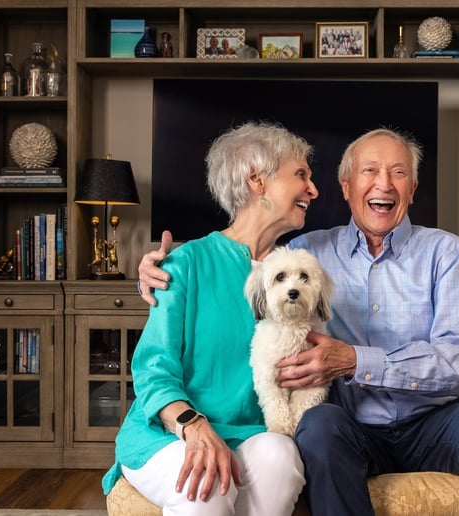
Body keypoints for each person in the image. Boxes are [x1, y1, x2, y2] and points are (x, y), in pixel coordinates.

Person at [139, 128, 459, 515]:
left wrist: (355, 360)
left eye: (399, 173)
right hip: (350, 427)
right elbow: (247, 267)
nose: (384, 184)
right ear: (346, 187)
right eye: (369, 171)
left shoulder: (447, 254)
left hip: (435, 422)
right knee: (319, 425)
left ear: (413, 189)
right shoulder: (305, 254)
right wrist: (160, 269)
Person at [103, 121, 320, 515]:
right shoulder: (187, 263)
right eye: (301, 175)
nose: (313, 189)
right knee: (207, 486)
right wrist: (192, 425)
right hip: (170, 431)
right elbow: (154, 369)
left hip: (250, 433)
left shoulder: (295, 271)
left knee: (282, 459)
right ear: (257, 180)